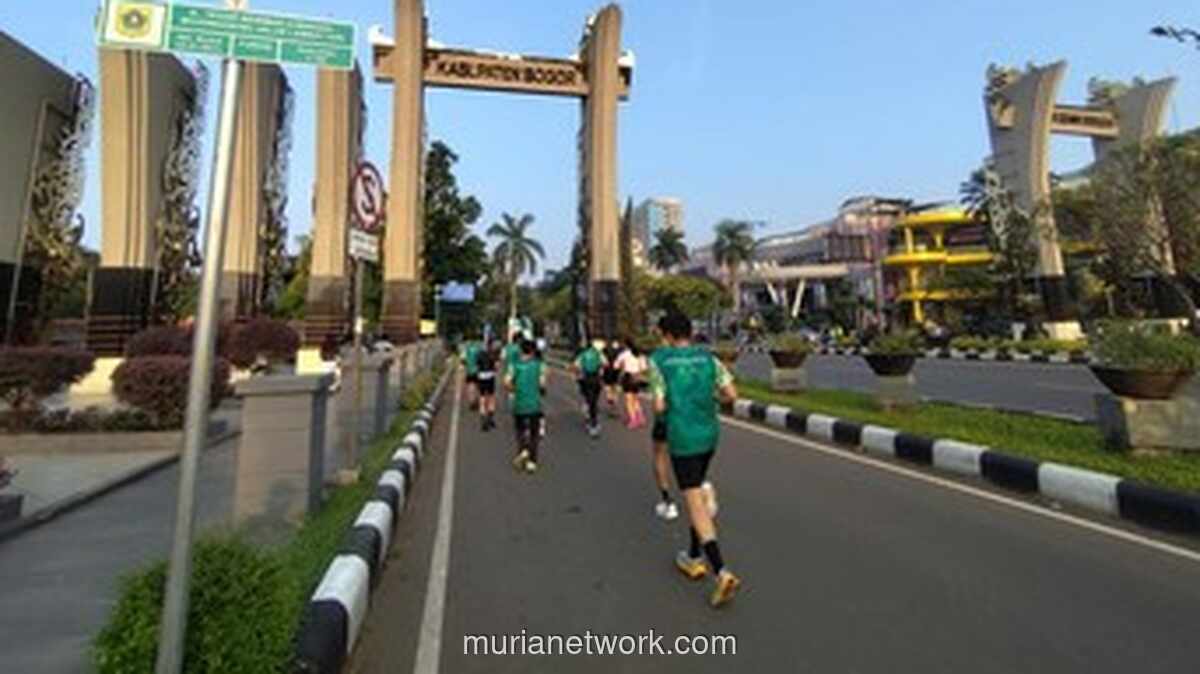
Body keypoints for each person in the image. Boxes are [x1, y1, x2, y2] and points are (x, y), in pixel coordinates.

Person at [647, 312, 741, 608]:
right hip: (709, 434)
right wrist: (709, 402)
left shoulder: (659, 361)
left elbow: (659, 405)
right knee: (696, 491)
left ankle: (721, 571)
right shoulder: (709, 358)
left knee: (694, 502)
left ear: (667, 335)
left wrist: (671, 406)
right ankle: (693, 555)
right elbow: (731, 394)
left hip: (683, 437)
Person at [647, 322, 680, 522]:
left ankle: (668, 501)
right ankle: (701, 485)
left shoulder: (658, 358)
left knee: (660, 454)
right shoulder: (700, 356)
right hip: (694, 418)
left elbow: (658, 404)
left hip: (667, 418)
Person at [505, 339, 547, 474]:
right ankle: (532, 462)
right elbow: (542, 384)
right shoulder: (540, 365)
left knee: (520, 431)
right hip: (534, 404)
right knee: (534, 434)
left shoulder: (514, 365)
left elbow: (507, 382)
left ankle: (523, 450)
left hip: (519, 404)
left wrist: (515, 389)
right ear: (533, 351)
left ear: (521, 350)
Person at [572, 339, 607, 438]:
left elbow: (575, 366)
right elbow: (606, 364)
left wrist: (578, 374)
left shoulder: (582, 355)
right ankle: (593, 422)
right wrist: (600, 368)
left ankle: (592, 422)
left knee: (589, 399)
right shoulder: (599, 354)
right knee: (594, 401)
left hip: (586, 379)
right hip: (596, 379)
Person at [614, 338, 648, 429]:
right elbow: (644, 368)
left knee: (629, 401)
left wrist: (622, 366)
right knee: (635, 399)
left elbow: (615, 366)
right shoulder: (640, 355)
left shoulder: (624, 354)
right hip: (637, 377)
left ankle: (633, 420)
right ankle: (641, 417)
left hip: (628, 377)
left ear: (626, 345)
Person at [476, 340, 499, 431]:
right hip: (490, 376)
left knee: (482, 398)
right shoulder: (493, 354)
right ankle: (490, 418)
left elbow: (477, 365)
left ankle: (483, 421)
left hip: (481, 376)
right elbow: (496, 366)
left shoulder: (479, 354)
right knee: (491, 397)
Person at [602, 340, 622, 417]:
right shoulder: (619, 354)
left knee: (608, 391)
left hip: (607, 374)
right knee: (615, 391)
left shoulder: (605, 353)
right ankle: (614, 405)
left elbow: (603, 365)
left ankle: (611, 405)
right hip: (616, 375)